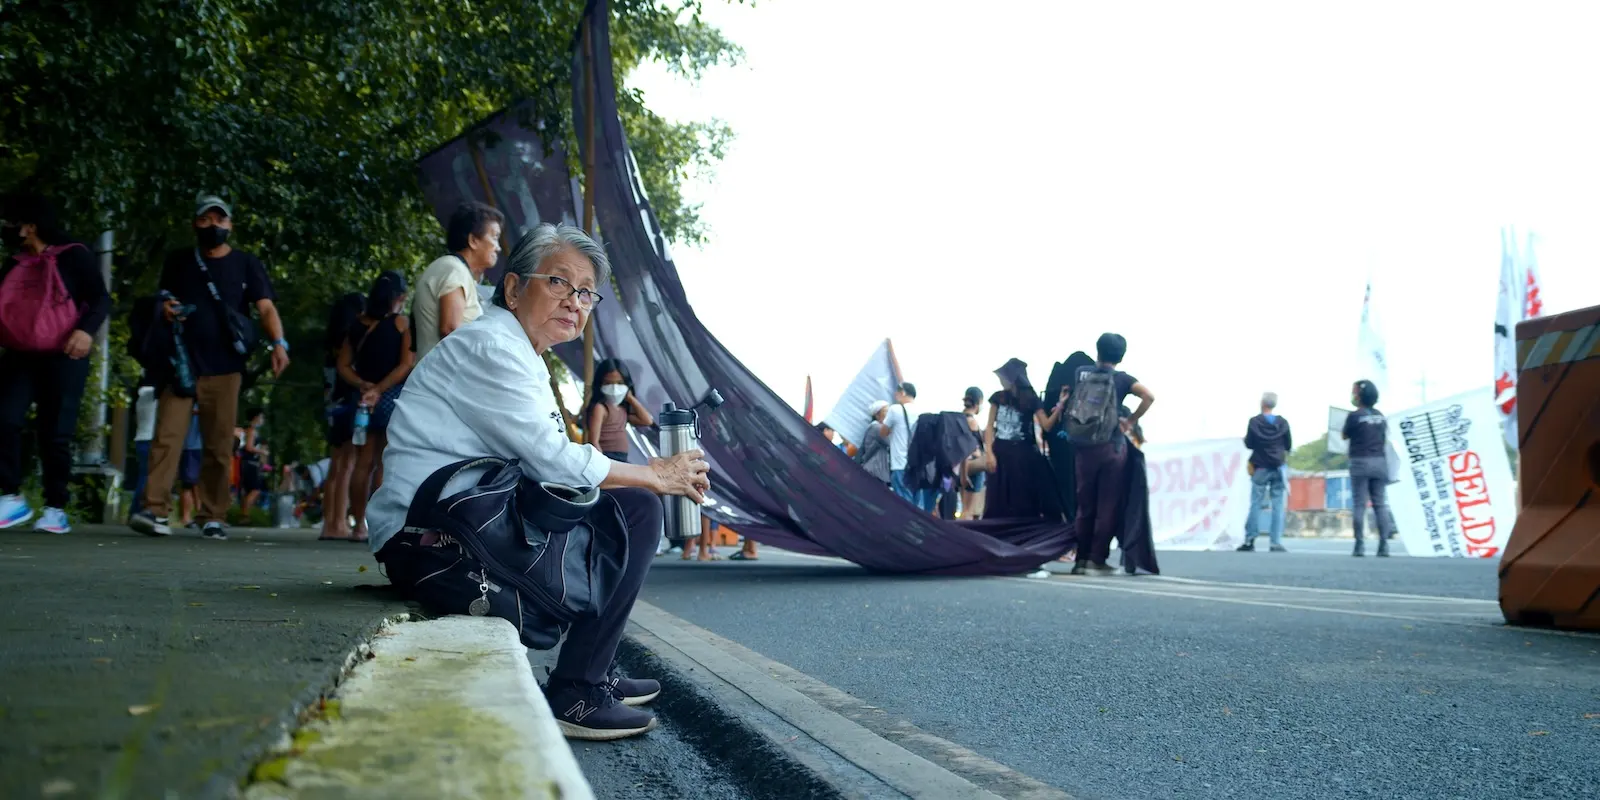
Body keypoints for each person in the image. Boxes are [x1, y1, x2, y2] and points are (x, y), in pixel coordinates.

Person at [366, 223, 708, 741]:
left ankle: (595, 667)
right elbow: (552, 460)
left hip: (455, 526)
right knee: (637, 507)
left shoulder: (518, 352)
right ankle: (579, 688)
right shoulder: (490, 348)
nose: (575, 300)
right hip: (431, 545)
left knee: (622, 503)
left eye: (586, 291)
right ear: (511, 288)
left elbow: (551, 463)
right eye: (558, 281)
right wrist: (655, 474)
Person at [132, 195, 289, 540]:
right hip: (182, 366)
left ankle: (213, 515)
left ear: (230, 225)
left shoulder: (246, 264)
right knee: (166, 438)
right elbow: (163, 298)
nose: (213, 226)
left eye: (220, 220)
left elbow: (265, 308)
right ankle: (153, 509)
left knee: (218, 445)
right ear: (195, 223)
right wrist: (166, 308)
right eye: (206, 219)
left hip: (225, 368)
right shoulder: (179, 261)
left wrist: (279, 343)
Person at [0, 194, 110, 533]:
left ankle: (55, 506)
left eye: (11, 222)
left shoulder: (74, 255)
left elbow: (100, 298)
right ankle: (11, 496)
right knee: (4, 418)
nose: (6, 228)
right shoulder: (14, 262)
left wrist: (86, 331)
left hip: (66, 354)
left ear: (29, 226)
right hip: (21, 354)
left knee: (55, 432)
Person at [334, 271, 413, 543]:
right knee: (383, 463)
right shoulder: (402, 323)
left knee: (361, 463)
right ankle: (376, 527)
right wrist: (381, 389)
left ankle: (358, 525)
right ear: (400, 297)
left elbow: (342, 365)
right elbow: (406, 364)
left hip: (363, 400)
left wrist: (364, 386)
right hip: (391, 399)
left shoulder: (357, 325)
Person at [1070, 333, 1154, 575]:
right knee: (1107, 505)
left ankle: (1080, 559)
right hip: (1111, 446)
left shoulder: (1081, 373)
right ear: (1122, 355)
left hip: (1084, 447)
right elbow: (1149, 396)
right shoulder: (1123, 379)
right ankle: (1097, 560)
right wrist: (1131, 420)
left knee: (1084, 505)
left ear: (1097, 351)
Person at [411, 202, 503, 360]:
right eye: (494, 237)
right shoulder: (453, 268)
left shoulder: (454, 269)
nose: (498, 248)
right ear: (473, 240)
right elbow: (450, 329)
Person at [984, 359, 1064, 520]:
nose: (1001, 381)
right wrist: (989, 453)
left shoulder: (1031, 399)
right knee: (998, 498)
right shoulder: (998, 398)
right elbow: (989, 427)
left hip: (1023, 454)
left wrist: (1060, 406)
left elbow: (1046, 425)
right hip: (1001, 451)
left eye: (1003, 378)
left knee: (1022, 497)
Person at [318, 294, 364, 541]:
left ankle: (330, 522)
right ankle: (338, 523)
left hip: (332, 403)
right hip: (348, 400)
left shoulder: (331, 345)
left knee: (336, 464)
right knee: (348, 463)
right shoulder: (351, 340)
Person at [1342, 379, 1393, 557]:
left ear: (1360, 395)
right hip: (1379, 462)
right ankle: (1384, 544)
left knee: (1359, 504)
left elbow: (1344, 434)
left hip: (1360, 461)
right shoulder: (1380, 415)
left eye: (1354, 392)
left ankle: (1359, 544)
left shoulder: (1354, 416)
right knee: (1380, 504)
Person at [1238, 392, 1292, 553]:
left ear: (1262, 403)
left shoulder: (1254, 422)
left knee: (1256, 503)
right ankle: (1275, 542)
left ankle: (1250, 540)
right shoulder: (1283, 423)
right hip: (1278, 466)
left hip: (1260, 466)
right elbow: (1288, 445)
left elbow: (1249, 444)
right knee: (1277, 505)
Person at [583, 357, 654, 462]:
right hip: (607, 457)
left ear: (627, 384)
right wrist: (602, 463)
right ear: (599, 385)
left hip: (622, 457)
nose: (614, 388)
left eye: (620, 383)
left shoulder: (622, 410)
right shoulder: (601, 408)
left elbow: (647, 420)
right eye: (608, 383)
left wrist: (630, 398)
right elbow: (594, 441)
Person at [880, 382, 929, 511]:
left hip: (900, 463)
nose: (895, 396)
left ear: (903, 393)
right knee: (917, 504)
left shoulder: (895, 409)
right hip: (917, 466)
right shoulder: (922, 412)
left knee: (903, 505)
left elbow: (883, 433)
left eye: (897, 393)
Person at [130, 383, 158, 516]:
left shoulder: (139, 394)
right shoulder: (151, 392)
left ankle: (135, 510)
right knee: (148, 477)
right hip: (151, 438)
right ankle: (140, 509)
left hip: (141, 437)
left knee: (143, 475)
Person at [959, 387, 988, 520]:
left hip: (960, 466)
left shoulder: (959, 418)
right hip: (973, 467)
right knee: (969, 510)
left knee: (964, 506)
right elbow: (969, 447)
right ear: (979, 401)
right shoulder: (972, 422)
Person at [854, 401, 893, 486]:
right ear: (877, 415)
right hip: (875, 470)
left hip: (875, 470)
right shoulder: (877, 428)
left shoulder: (874, 427)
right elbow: (891, 443)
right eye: (886, 411)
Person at [239, 408, 269, 514]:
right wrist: (262, 451)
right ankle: (245, 514)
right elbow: (249, 447)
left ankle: (244, 515)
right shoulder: (252, 431)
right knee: (255, 490)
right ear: (256, 418)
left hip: (248, 463)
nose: (262, 420)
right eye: (261, 417)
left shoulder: (250, 430)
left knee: (248, 491)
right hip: (250, 463)